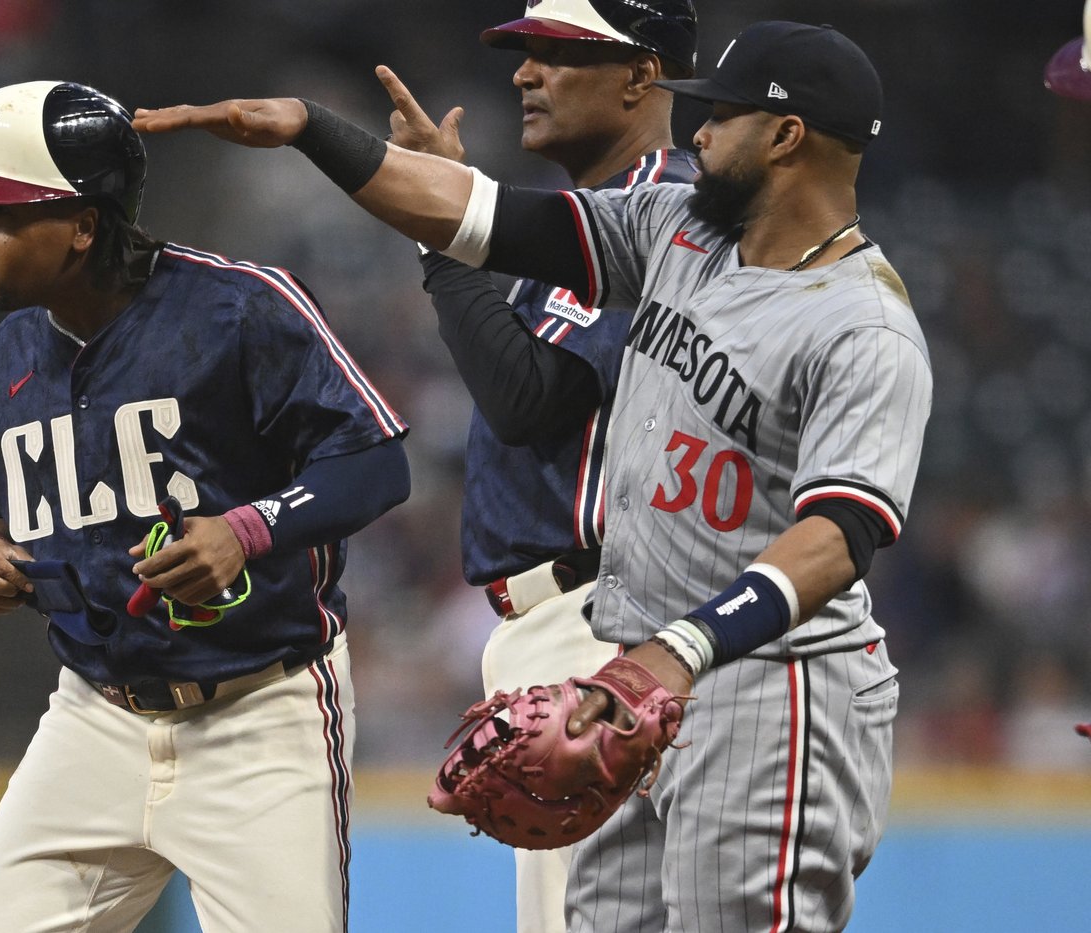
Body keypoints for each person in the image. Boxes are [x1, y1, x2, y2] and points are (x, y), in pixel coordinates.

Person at [134, 19, 932, 932]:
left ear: (786, 137)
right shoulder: (681, 232)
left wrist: (687, 648)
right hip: (630, 668)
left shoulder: (864, 327)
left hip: (772, 684)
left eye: (721, 118)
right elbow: (473, 215)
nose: (696, 133)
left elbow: (841, 537)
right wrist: (316, 130)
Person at [0, 80, 410, 932]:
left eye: (0, 209)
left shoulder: (237, 308)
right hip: (93, 716)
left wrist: (249, 529)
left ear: (83, 224)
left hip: (259, 715)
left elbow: (376, 460)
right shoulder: (7, 355)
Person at [375, 2, 698, 930]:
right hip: (573, 621)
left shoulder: (651, 213)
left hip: (600, 622)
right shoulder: (576, 225)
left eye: (557, 54)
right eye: (525, 53)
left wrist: (445, 230)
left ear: (642, 76)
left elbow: (528, 397)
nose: (524, 73)